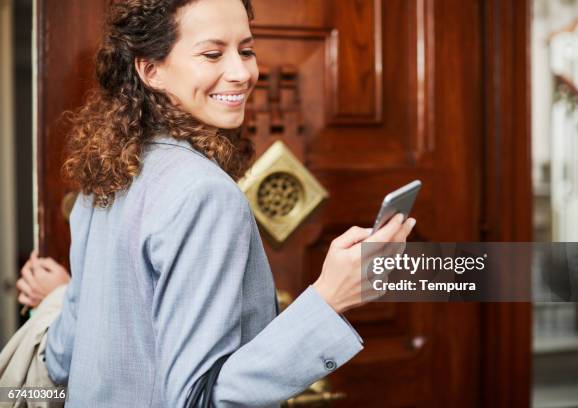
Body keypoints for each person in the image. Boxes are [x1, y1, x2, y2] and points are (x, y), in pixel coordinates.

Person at [41, 0, 416, 406]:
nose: (242, 73)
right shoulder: (204, 194)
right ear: (152, 70)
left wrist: (76, 298)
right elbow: (196, 401)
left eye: (247, 50)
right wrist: (329, 297)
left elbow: (62, 361)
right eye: (213, 54)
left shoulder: (103, 180)